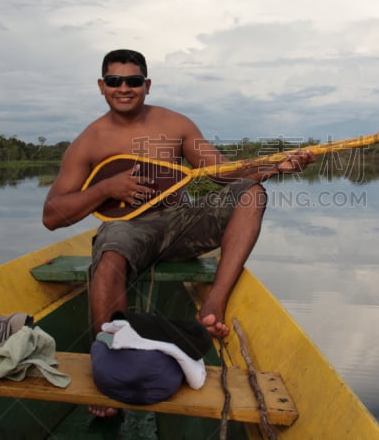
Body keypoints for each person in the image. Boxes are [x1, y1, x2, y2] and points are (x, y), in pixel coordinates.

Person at [42, 49, 314, 343]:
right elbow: (52, 216)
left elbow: (222, 173)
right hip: (127, 229)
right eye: (114, 80)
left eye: (133, 82)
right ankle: (112, 346)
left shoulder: (175, 124)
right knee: (109, 255)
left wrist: (275, 168)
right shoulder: (89, 141)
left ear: (147, 85)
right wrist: (106, 189)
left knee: (251, 195)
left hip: (181, 224)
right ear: (101, 86)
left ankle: (213, 305)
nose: (123, 88)